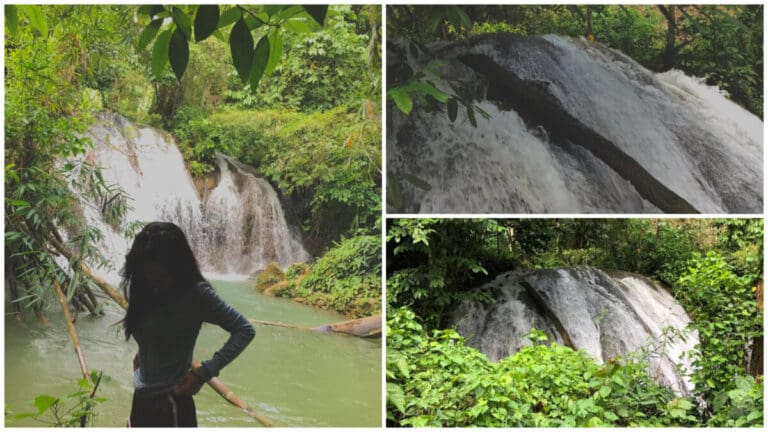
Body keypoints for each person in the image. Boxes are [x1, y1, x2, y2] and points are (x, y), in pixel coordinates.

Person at [121, 222, 255, 427]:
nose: (152, 279)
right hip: (141, 395)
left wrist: (203, 372)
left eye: (159, 273)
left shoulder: (195, 294)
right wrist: (146, 349)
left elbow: (244, 329)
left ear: (175, 266)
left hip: (171, 402)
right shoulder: (144, 287)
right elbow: (162, 329)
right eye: (146, 271)